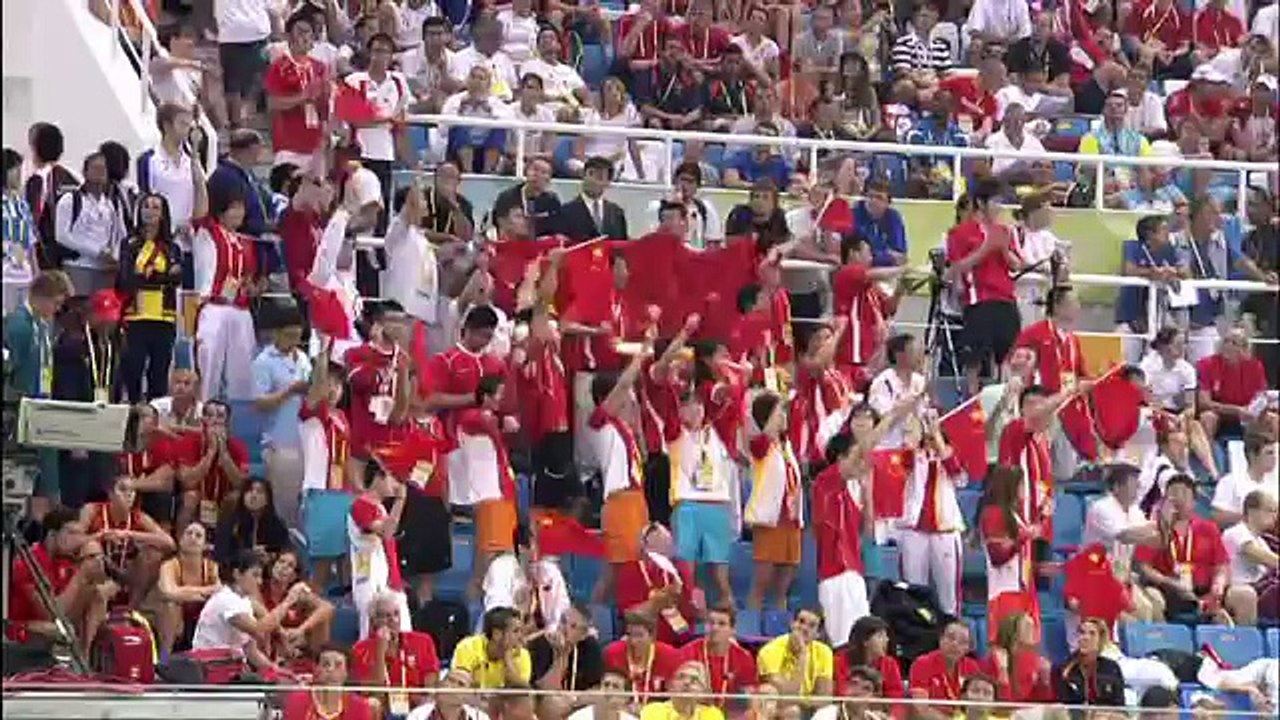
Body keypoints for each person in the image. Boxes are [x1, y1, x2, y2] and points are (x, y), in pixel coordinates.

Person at [945, 178, 1022, 395]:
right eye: (995, 201)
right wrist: (986, 249)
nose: (1000, 207)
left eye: (1002, 202)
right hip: (979, 300)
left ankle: (1005, 399)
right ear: (981, 203)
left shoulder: (1005, 231)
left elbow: (1017, 264)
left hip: (1006, 298)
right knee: (975, 359)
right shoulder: (959, 233)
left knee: (1007, 356)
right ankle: (972, 400)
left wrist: (1004, 250)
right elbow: (957, 266)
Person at [5, 508, 111, 655]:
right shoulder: (27, 563)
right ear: (53, 534)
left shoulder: (65, 562)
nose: (78, 540)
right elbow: (51, 614)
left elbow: (68, 610)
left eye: (80, 534)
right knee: (58, 629)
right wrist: (80, 576)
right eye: (72, 533)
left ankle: (85, 658)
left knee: (95, 593)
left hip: (56, 621)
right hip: (22, 626)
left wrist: (96, 563)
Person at [668, 388, 737, 607]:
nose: (696, 409)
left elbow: (730, 403)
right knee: (689, 564)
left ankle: (727, 601)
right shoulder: (675, 433)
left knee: (719, 565)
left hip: (717, 501)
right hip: (687, 501)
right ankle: (692, 604)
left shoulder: (714, 432)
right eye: (688, 405)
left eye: (698, 404)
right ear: (679, 411)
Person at [193, 181, 259, 402]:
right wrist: (195, 163)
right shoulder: (208, 233)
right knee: (208, 363)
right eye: (234, 207)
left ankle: (239, 418)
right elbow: (201, 203)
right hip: (214, 306)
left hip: (240, 310)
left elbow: (248, 278)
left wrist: (253, 287)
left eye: (242, 207)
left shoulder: (245, 242)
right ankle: (203, 411)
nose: (239, 213)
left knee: (243, 372)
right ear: (220, 209)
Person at [898, 409, 968, 617]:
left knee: (949, 597)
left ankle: (952, 634)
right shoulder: (911, 453)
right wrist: (914, 431)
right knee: (912, 592)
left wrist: (937, 435)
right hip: (913, 529)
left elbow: (959, 477)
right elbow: (901, 468)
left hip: (945, 531)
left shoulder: (951, 453)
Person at [193, 549, 307, 675]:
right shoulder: (226, 599)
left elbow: (251, 651)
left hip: (228, 668)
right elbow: (259, 628)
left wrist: (280, 672)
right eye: (255, 575)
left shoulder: (244, 601)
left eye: (260, 576)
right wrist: (288, 601)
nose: (259, 582)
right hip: (208, 669)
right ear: (237, 574)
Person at [456, 375, 520, 595]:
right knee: (486, 562)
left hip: (501, 496)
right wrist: (502, 422)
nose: (501, 400)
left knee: (503, 559)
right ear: (485, 397)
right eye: (499, 395)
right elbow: (482, 420)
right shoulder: (470, 418)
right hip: (488, 496)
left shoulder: (490, 423)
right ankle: (473, 609)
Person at [116, 192, 183, 403]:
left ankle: (156, 418)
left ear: (163, 214)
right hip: (135, 316)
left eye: (155, 207)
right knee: (132, 371)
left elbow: (177, 279)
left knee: (159, 376)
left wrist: (150, 276)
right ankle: (132, 417)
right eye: (146, 206)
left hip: (164, 317)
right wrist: (162, 277)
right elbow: (126, 280)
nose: (150, 211)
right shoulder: (130, 243)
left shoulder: (172, 247)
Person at [251, 306, 311, 527]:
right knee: (283, 505)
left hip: (303, 439)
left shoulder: (303, 359)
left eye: (297, 336)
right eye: (289, 336)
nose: (293, 341)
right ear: (276, 333)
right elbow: (259, 403)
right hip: (277, 441)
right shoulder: (263, 362)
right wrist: (289, 391)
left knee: (301, 503)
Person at [745, 391, 804, 610]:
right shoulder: (760, 445)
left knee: (783, 586)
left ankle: (778, 628)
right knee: (761, 583)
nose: (784, 416)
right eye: (780, 412)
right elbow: (764, 436)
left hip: (791, 519)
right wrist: (774, 405)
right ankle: (750, 630)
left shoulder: (786, 446)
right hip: (770, 519)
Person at [81, 474, 175, 604]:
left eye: (132, 490)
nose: (129, 494)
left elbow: (170, 543)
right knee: (90, 548)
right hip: (100, 569)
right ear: (111, 494)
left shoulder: (138, 517)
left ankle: (131, 610)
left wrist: (129, 534)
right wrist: (99, 536)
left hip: (125, 572)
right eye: (123, 489)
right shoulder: (92, 510)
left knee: (153, 555)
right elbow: (74, 541)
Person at [350, 450, 411, 639]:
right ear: (378, 477)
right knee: (372, 635)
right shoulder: (360, 506)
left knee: (403, 635)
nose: (395, 485)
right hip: (370, 579)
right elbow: (387, 531)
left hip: (390, 579)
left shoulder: (381, 508)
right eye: (393, 479)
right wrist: (400, 501)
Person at [351, 590, 441, 716]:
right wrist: (380, 650)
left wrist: (416, 700)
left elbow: (430, 687)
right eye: (386, 616)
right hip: (381, 711)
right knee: (372, 704)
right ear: (373, 621)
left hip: (417, 709)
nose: (393, 620)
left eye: (396, 614)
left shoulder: (422, 641)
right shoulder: (361, 649)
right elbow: (374, 692)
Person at [264, 9, 330, 175]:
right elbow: (272, 103)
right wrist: (303, 97)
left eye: (309, 32)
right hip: (289, 145)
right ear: (289, 36)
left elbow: (325, 109)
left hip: (315, 145)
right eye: (300, 31)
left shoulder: (320, 68)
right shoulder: (279, 66)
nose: (305, 37)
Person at [54, 151, 128, 295]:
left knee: (103, 313)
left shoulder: (113, 203)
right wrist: (96, 251)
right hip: (79, 265)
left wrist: (115, 255)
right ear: (85, 172)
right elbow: (61, 235)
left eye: (103, 169)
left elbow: (121, 234)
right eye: (95, 168)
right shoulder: (70, 199)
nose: (99, 173)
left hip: (106, 268)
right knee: (79, 310)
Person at [614, 523, 700, 647]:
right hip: (644, 640)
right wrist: (657, 603)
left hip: (681, 639)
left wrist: (697, 606)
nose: (660, 549)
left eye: (664, 543)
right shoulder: (631, 570)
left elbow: (692, 612)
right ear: (643, 547)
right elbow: (629, 615)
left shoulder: (679, 569)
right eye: (654, 544)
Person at [176, 400, 250, 532]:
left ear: (227, 422)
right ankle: (182, 548)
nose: (215, 421)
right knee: (190, 497)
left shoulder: (238, 446)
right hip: (199, 501)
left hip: (224, 501)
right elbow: (187, 482)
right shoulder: (190, 441)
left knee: (235, 497)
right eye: (209, 416)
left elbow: (241, 484)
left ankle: (227, 547)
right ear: (202, 419)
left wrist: (224, 454)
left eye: (220, 416)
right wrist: (210, 453)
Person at [980, 465, 1048, 607]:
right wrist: (1025, 536)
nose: (1025, 488)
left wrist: (1042, 516)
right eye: (1022, 484)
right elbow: (997, 555)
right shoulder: (993, 514)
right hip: (1003, 591)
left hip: (1019, 587)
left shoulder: (1013, 514)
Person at [156, 521, 220, 655]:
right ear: (180, 541)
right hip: (175, 620)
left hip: (200, 617)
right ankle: (164, 659)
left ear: (205, 545)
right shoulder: (170, 565)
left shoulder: (211, 567)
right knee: (171, 605)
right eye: (189, 533)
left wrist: (184, 592)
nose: (193, 538)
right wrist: (201, 593)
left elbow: (219, 592)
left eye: (198, 535)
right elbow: (168, 592)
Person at [261, 549, 334, 664]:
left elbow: (328, 608)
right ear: (272, 567)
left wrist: (300, 630)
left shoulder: (298, 592)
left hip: (294, 646)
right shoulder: (260, 589)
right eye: (281, 562)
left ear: (293, 576)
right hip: (269, 644)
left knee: (321, 620)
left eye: (290, 565)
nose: (283, 567)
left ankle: (315, 662)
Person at [676, 604, 757, 706]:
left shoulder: (744, 658)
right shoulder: (687, 652)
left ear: (732, 630)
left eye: (721, 624)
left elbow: (749, 697)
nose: (715, 628)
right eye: (710, 623)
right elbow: (677, 692)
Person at [1197, 328, 1268, 441]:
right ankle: (1211, 457)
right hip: (1219, 413)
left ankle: (1262, 456)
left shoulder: (1255, 366)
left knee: (1272, 420)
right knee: (1207, 418)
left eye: (1234, 343)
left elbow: (1261, 396)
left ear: (1244, 348)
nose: (1228, 346)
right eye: (1226, 341)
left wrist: (1252, 410)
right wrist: (1236, 410)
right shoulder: (1207, 364)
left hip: (1247, 414)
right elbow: (1204, 403)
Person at [907, 620, 983, 720]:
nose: (955, 644)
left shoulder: (971, 667)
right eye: (951, 638)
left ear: (968, 648)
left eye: (962, 641)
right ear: (941, 639)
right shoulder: (922, 664)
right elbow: (920, 709)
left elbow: (980, 705)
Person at [1222, 489, 1279, 622]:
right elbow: (1265, 558)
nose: (1274, 515)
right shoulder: (1236, 532)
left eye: (1275, 511)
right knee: (1247, 595)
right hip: (1236, 590)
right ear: (1252, 511)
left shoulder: (1261, 541)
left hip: (1259, 588)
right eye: (1270, 510)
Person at [756, 608, 835, 704]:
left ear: (818, 634)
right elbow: (787, 696)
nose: (804, 628)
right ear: (792, 624)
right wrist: (802, 654)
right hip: (778, 709)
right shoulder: (769, 651)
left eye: (812, 625)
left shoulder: (824, 652)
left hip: (810, 710)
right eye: (801, 621)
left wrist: (802, 702)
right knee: (792, 711)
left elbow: (823, 699)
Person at [603, 610, 682, 705]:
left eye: (639, 635)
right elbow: (604, 690)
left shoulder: (670, 656)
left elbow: (676, 697)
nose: (633, 641)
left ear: (652, 636)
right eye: (629, 634)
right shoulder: (613, 653)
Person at [528, 601, 605, 695]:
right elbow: (543, 690)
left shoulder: (590, 647)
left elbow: (596, 688)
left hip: (577, 703)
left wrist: (573, 701)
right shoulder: (541, 644)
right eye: (563, 621)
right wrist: (561, 655)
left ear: (583, 635)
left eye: (572, 626)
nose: (562, 628)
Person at [281, 645, 377, 720]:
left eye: (338, 665)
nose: (330, 669)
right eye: (325, 664)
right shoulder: (297, 700)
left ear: (346, 673)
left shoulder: (359, 706)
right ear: (316, 669)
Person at [213, 477, 293, 565]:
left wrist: (271, 557)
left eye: (259, 492)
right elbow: (220, 556)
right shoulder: (231, 522)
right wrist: (248, 555)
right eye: (250, 490)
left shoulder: (276, 524)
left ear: (267, 500)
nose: (253, 495)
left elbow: (286, 552)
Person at [450, 606, 534, 689]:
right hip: (472, 701)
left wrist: (508, 662)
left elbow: (522, 694)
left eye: (521, 631)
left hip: (504, 702)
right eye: (515, 631)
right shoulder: (468, 647)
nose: (520, 637)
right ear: (497, 634)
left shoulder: (522, 654)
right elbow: (460, 686)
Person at [1052, 617, 1125, 707]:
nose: (1085, 637)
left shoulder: (1112, 668)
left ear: (1101, 640)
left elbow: (1121, 708)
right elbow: (1059, 708)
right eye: (1082, 633)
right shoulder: (1063, 669)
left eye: (1092, 634)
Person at [1212, 430, 1279, 526]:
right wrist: (1250, 517)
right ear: (1253, 455)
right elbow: (1217, 516)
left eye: (1274, 453)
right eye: (1269, 453)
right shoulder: (1231, 481)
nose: (1274, 458)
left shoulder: (1275, 481)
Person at [557, 156, 629, 244]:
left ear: (607, 183)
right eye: (590, 174)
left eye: (599, 177)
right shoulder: (566, 211)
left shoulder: (616, 212)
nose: (592, 180)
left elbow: (622, 245)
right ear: (583, 175)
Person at [834, 617, 906, 701]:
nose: (886, 640)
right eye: (880, 636)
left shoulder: (889, 664)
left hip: (881, 712)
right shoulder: (840, 660)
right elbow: (841, 693)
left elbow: (896, 698)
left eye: (886, 636)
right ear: (865, 640)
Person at [2, 147, 37, 314]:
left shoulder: (21, 203)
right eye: (14, 169)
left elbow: (31, 242)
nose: (18, 174)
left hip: (24, 273)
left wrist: (36, 273)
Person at [638, 661, 726, 720]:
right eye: (681, 677)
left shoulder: (713, 715)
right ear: (670, 685)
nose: (687, 682)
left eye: (694, 680)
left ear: (703, 692)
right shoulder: (653, 711)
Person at [566, 670, 637, 720]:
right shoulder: (578, 718)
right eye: (606, 685)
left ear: (625, 698)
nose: (609, 690)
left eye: (615, 686)